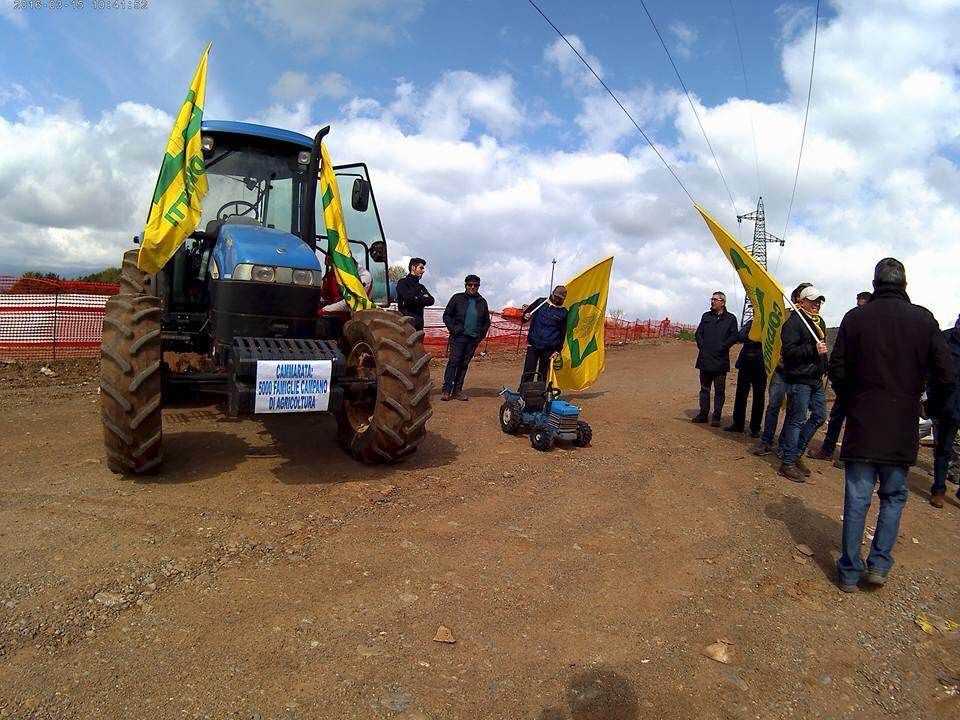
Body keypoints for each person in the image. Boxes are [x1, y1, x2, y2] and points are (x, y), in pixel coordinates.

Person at [828, 258, 954, 592]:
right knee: (894, 497)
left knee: (857, 499)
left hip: (862, 424)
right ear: (904, 284)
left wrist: (852, 401)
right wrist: (930, 408)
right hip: (901, 426)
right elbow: (946, 374)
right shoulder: (923, 320)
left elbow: (836, 367)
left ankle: (849, 571)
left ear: (875, 282)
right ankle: (879, 565)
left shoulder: (856, 318)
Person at [808, 291, 873, 461]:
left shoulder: (877, 330)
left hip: (865, 384)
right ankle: (827, 449)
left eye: (863, 306)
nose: (860, 309)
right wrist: (835, 375)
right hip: (846, 381)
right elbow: (839, 349)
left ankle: (849, 456)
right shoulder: (851, 320)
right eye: (858, 305)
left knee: (857, 421)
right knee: (837, 416)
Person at [752, 282, 812, 457]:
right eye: (801, 297)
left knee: (793, 410)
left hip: (798, 374)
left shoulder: (811, 322)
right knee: (774, 406)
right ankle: (766, 441)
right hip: (780, 370)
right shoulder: (784, 315)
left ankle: (784, 444)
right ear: (795, 299)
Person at [777, 286, 829, 482]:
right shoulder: (793, 323)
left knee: (819, 416)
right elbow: (789, 353)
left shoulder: (819, 322)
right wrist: (812, 349)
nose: (817, 304)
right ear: (802, 301)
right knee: (797, 420)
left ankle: (796, 453)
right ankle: (788, 462)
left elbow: (821, 349)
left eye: (819, 301)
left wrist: (825, 365)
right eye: (813, 300)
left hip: (815, 379)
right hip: (799, 380)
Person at [441, 275, 491, 401]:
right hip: (458, 337)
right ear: (465, 285)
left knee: (464, 364)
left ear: (478, 286)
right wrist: (454, 329)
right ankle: (446, 390)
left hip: (472, 339)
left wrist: (480, 336)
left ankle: (457, 390)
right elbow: (447, 315)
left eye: (475, 285)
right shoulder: (457, 298)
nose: (472, 287)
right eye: (470, 285)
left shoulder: (482, 302)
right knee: (454, 362)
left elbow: (486, 321)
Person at [693, 291, 739, 426]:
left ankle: (717, 417)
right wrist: (703, 346)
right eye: (711, 299)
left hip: (720, 360)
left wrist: (722, 347)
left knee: (719, 391)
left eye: (715, 299)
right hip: (705, 359)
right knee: (704, 389)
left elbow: (734, 336)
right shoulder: (706, 316)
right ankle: (703, 414)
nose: (712, 301)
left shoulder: (730, 318)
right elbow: (698, 333)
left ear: (723, 302)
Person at [929, 312, 960, 508]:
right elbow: (931, 370)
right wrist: (931, 399)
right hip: (946, 405)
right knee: (944, 449)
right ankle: (939, 490)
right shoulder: (944, 340)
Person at [724, 318, 766, 437]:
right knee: (741, 394)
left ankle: (755, 428)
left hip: (761, 365)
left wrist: (755, 339)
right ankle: (738, 424)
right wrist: (755, 337)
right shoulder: (750, 323)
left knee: (759, 396)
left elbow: (770, 341)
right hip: (746, 363)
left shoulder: (769, 324)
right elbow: (740, 336)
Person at [520, 285, 568, 383]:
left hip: (549, 349)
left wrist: (557, 350)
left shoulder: (564, 313)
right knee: (528, 371)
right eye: (556, 296)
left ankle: (539, 395)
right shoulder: (540, 302)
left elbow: (562, 333)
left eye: (560, 298)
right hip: (533, 344)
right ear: (552, 293)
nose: (557, 299)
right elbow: (524, 319)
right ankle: (523, 394)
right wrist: (526, 317)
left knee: (543, 374)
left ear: (563, 299)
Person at [396, 257, 434, 331]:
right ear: (413, 267)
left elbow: (431, 300)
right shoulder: (402, 283)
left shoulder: (421, 287)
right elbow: (408, 299)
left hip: (419, 327)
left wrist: (416, 298)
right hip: (406, 325)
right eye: (421, 268)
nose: (423, 271)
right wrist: (422, 297)